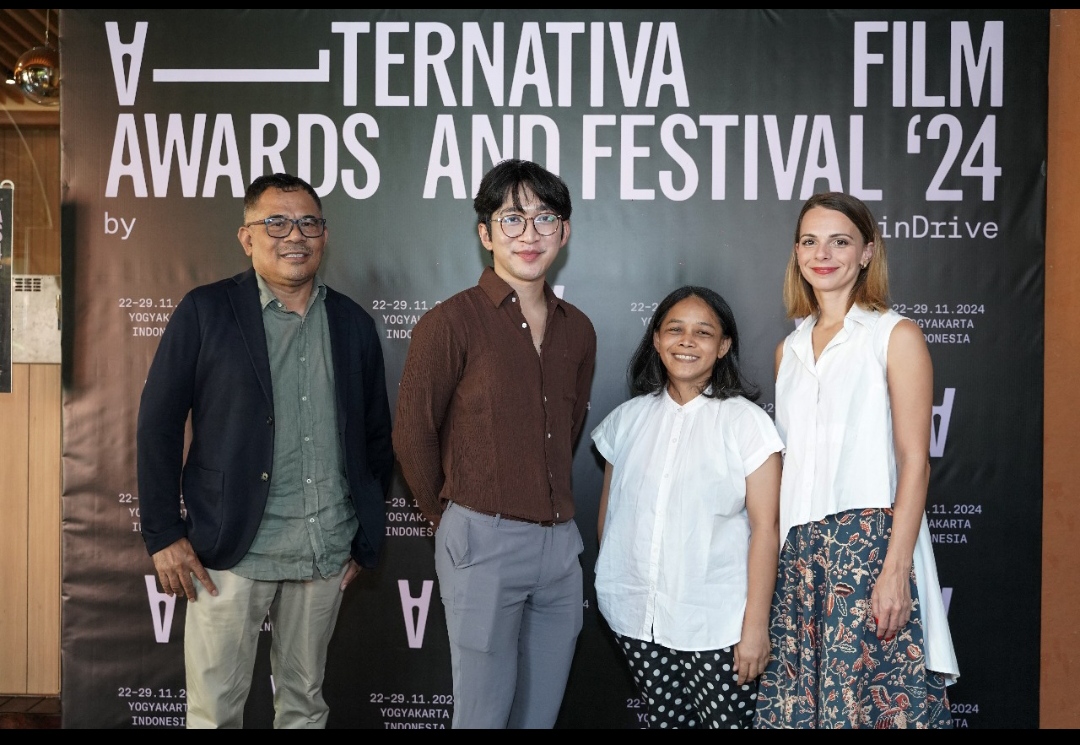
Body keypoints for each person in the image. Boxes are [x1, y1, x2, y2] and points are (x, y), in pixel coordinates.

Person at [137, 173, 393, 729]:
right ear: (246, 237)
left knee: (304, 705)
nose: (293, 235)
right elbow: (157, 426)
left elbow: (376, 437)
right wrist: (162, 533)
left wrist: (365, 533)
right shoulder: (206, 311)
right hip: (228, 552)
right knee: (214, 712)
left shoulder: (353, 324)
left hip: (323, 547)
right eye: (275, 222)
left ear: (324, 235)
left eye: (308, 222)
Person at [393, 159, 597, 729]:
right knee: (481, 715)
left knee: (539, 715)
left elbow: (568, 427)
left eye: (545, 218)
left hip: (560, 548)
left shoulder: (578, 328)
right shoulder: (450, 323)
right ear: (486, 234)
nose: (529, 233)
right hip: (481, 540)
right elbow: (412, 433)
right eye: (512, 218)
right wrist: (451, 518)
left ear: (564, 231)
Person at [754, 192, 959, 729]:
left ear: (867, 253)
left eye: (839, 241)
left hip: (869, 548)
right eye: (809, 241)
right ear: (796, 252)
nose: (822, 254)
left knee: (874, 711)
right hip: (799, 555)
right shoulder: (788, 351)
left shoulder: (895, 335)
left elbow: (915, 461)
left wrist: (895, 570)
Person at [592, 286, 783, 729]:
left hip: (717, 623)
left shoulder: (747, 424)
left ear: (724, 346)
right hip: (635, 618)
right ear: (657, 339)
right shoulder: (626, 421)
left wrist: (755, 627)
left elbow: (766, 530)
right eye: (675, 329)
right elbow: (611, 516)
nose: (687, 341)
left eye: (703, 332)